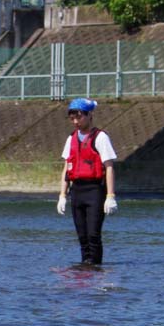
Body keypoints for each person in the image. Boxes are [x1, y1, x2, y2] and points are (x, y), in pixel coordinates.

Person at [57, 98, 118, 266]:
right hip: (77, 191)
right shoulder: (71, 139)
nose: (76, 122)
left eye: (79, 117)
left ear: (90, 115)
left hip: (95, 191)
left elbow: (109, 167)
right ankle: (85, 268)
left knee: (93, 235)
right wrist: (62, 195)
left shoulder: (100, 137)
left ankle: (96, 269)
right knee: (82, 236)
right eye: (72, 118)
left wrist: (110, 196)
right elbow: (66, 168)